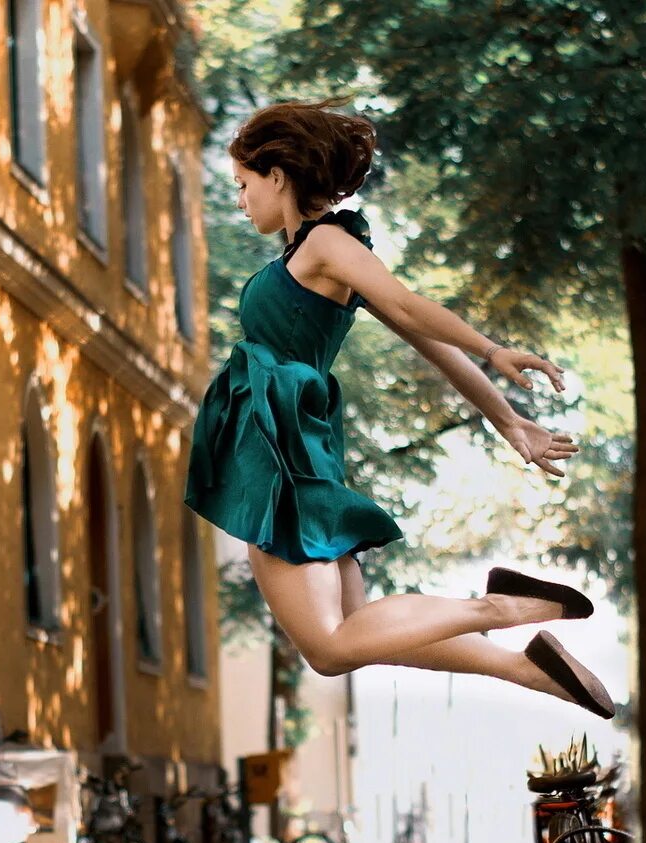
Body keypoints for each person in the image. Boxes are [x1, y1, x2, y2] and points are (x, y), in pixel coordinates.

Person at [184, 98, 616, 719]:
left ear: (277, 176)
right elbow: (430, 346)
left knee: (331, 650)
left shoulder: (326, 243)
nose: (240, 198)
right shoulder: (308, 255)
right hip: (293, 445)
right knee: (360, 626)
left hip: (278, 454)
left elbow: (414, 312)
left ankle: (504, 608)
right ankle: (526, 667)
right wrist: (507, 418)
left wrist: (492, 349)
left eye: (243, 184)